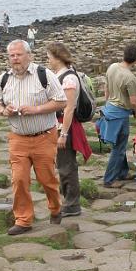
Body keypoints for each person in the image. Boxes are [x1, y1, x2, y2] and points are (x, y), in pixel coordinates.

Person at [0, 40, 66, 235]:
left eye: (19, 54)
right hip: (17, 138)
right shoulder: (4, 79)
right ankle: (23, 220)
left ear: (29, 55)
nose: (15, 59)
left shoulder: (44, 75)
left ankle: (56, 208)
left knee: (47, 179)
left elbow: (61, 101)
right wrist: (3, 111)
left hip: (44, 136)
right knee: (19, 179)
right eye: (12, 55)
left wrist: (36, 109)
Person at [47, 42, 92, 218]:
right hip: (60, 125)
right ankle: (68, 200)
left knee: (67, 166)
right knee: (63, 165)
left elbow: (69, 108)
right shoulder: (62, 75)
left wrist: (63, 134)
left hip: (66, 126)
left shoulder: (69, 79)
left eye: (50, 57)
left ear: (57, 58)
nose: (48, 61)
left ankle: (72, 204)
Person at [100, 44, 136, 188]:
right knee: (118, 148)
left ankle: (123, 172)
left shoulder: (112, 67)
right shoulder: (130, 78)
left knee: (119, 145)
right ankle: (109, 179)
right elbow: (133, 101)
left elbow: (106, 88)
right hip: (120, 114)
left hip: (109, 109)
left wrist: (107, 103)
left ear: (124, 55)